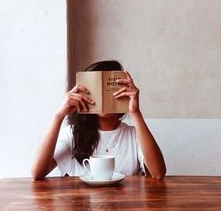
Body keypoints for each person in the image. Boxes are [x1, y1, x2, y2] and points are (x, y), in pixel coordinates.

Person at [32, 60, 166, 180]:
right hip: (80, 207)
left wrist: (135, 113)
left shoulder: (134, 135)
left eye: (109, 88)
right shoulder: (72, 134)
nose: (102, 95)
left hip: (125, 206)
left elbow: (158, 174)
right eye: (97, 88)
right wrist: (59, 116)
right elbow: (37, 173)